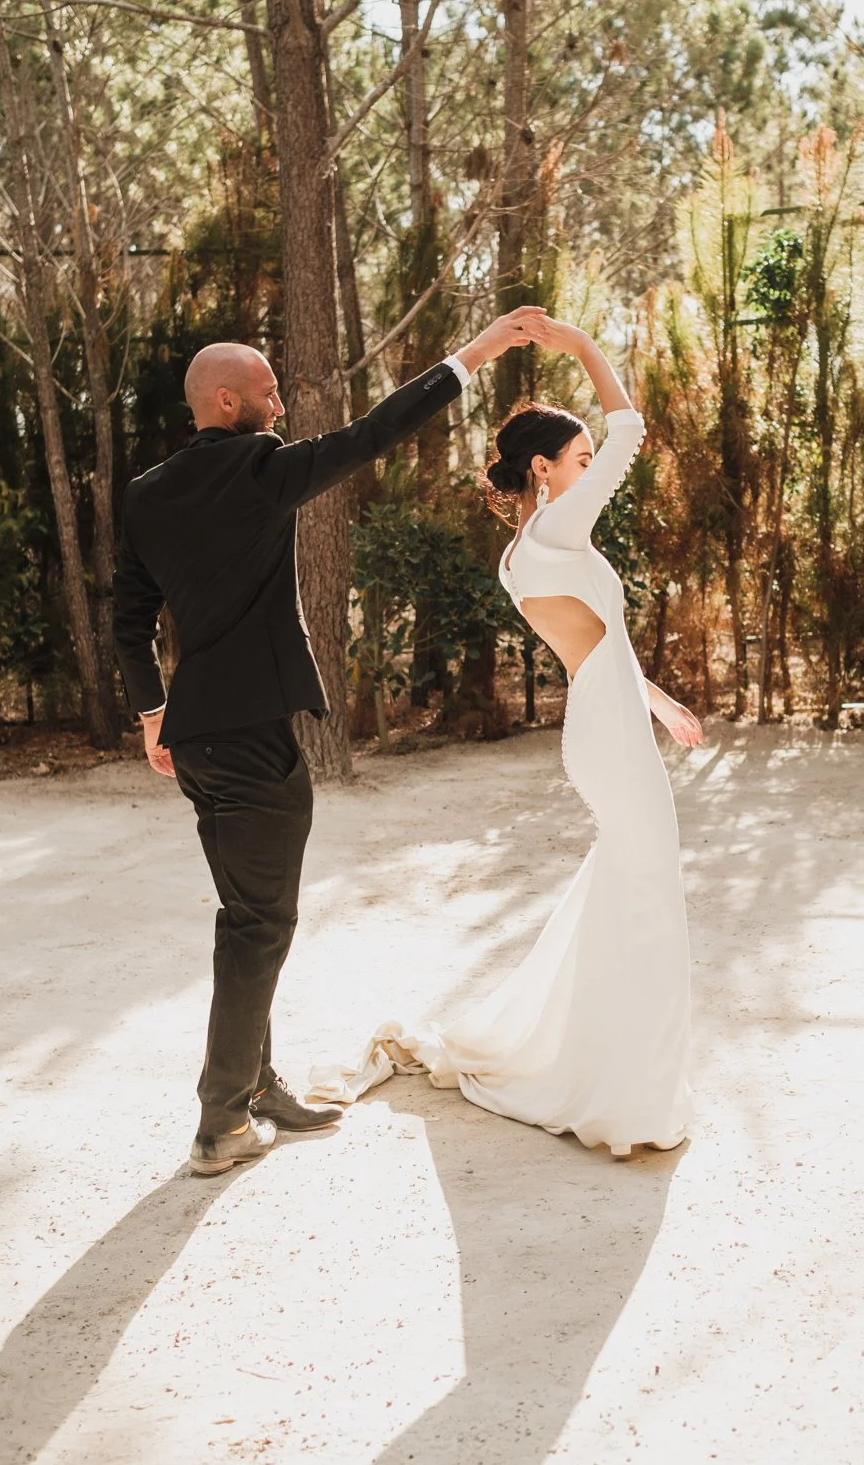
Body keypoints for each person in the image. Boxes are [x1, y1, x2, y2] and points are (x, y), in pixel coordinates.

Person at [112, 309, 547, 1176]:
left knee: (249, 917)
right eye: (267, 389)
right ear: (226, 400)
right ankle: (220, 1124)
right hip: (248, 738)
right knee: (259, 925)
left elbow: (128, 617)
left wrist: (154, 713)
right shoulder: (262, 469)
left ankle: (257, 1087)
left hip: (199, 734)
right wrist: (479, 352)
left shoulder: (148, 491)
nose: (280, 401)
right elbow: (377, 430)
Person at [311, 317, 701, 1159]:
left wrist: (661, 703)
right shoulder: (558, 532)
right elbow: (631, 427)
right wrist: (578, 346)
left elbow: (599, 642)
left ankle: (604, 1066)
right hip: (605, 734)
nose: (593, 470)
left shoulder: (529, 550)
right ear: (543, 470)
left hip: (607, 723)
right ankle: (620, 1091)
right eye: (581, 461)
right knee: (647, 890)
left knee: (629, 888)